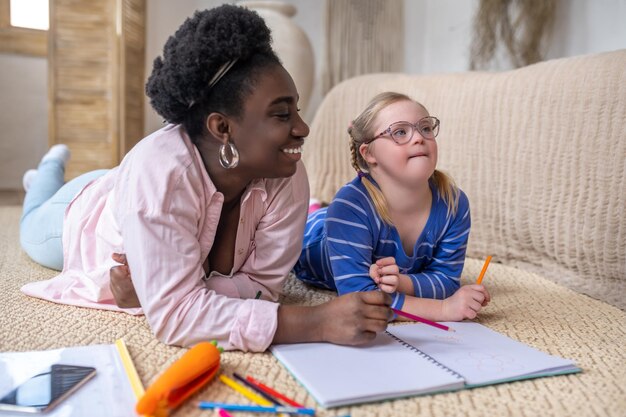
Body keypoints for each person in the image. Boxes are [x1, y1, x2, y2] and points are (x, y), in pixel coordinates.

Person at [19, 5, 391, 352]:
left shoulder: (286, 172)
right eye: (281, 115)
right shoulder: (161, 178)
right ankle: (46, 170)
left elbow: (264, 288)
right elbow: (176, 319)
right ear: (222, 127)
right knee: (33, 216)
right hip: (81, 213)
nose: (303, 127)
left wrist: (158, 295)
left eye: (297, 109)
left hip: (130, 192)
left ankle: (48, 172)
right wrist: (316, 322)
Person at [293, 92, 491, 322]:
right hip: (313, 237)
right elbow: (361, 298)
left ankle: (316, 207)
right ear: (369, 153)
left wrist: (402, 282)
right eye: (400, 132)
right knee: (314, 222)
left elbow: (447, 281)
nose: (419, 138)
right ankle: (313, 209)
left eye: (425, 128)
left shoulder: (454, 204)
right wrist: (444, 310)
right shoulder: (348, 208)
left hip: (351, 225)